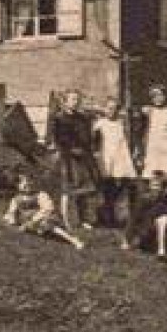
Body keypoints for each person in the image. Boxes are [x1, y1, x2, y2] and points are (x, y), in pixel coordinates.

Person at [47, 90, 101, 230]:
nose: (75, 102)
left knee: (84, 189)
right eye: (72, 99)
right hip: (67, 156)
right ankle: (66, 220)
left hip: (82, 156)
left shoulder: (82, 118)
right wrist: (69, 149)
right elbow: (57, 138)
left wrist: (86, 150)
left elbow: (87, 137)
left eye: (77, 99)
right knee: (68, 188)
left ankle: (84, 219)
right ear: (65, 101)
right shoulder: (58, 118)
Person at [3, 169, 86, 250]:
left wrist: (32, 221)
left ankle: (73, 240)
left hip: (42, 217)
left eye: (29, 183)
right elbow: (12, 210)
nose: (28, 186)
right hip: (27, 220)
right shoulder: (16, 199)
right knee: (10, 220)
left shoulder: (40, 194)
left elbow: (48, 208)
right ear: (17, 186)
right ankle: (37, 231)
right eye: (23, 185)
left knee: (49, 225)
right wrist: (11, 218)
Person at [93, 96, 139, 228]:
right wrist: (97, 155)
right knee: (108, 187)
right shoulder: (100, 123)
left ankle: (129, 216)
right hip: (107, 157)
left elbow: (125, 140)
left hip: (121, 157)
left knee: (126, 184)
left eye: (114, 108)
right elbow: (95, 141)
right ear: (105, 109)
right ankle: (108, 217)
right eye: (109, 108)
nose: (111, 111)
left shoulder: (120, 123)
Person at [123, 171, 167, 262]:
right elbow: (134, 218)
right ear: (149, 186)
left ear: (163, 187)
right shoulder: (144, 198)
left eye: (158, 186)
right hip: (147, 232)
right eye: (153, 185)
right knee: (163, 218)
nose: (155, 188)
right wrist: (127, 240)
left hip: (163, 229)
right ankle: (161, 251)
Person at [139, 85, 167, 184]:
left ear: (165, 96)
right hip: (153, 147)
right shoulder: (148, 111)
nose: (158, 98)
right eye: (155, 96)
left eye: (160, 95)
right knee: (152, 174)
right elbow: (142, 130)